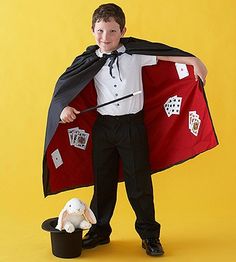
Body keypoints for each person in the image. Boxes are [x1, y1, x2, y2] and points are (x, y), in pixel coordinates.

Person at [58, 3, 207, 257]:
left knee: (139, 185)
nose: (106, 38)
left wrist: (193, 60)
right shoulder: (88, 60)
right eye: (101, 31)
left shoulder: (136, 54)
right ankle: (99, 231)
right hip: (104, 128)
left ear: (123, 30)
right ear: (92, 30)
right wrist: (64, 108)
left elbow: (164, 55)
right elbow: (68, 87)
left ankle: (149, 235)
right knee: (103, 183)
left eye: (113, 31)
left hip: (132, 127)